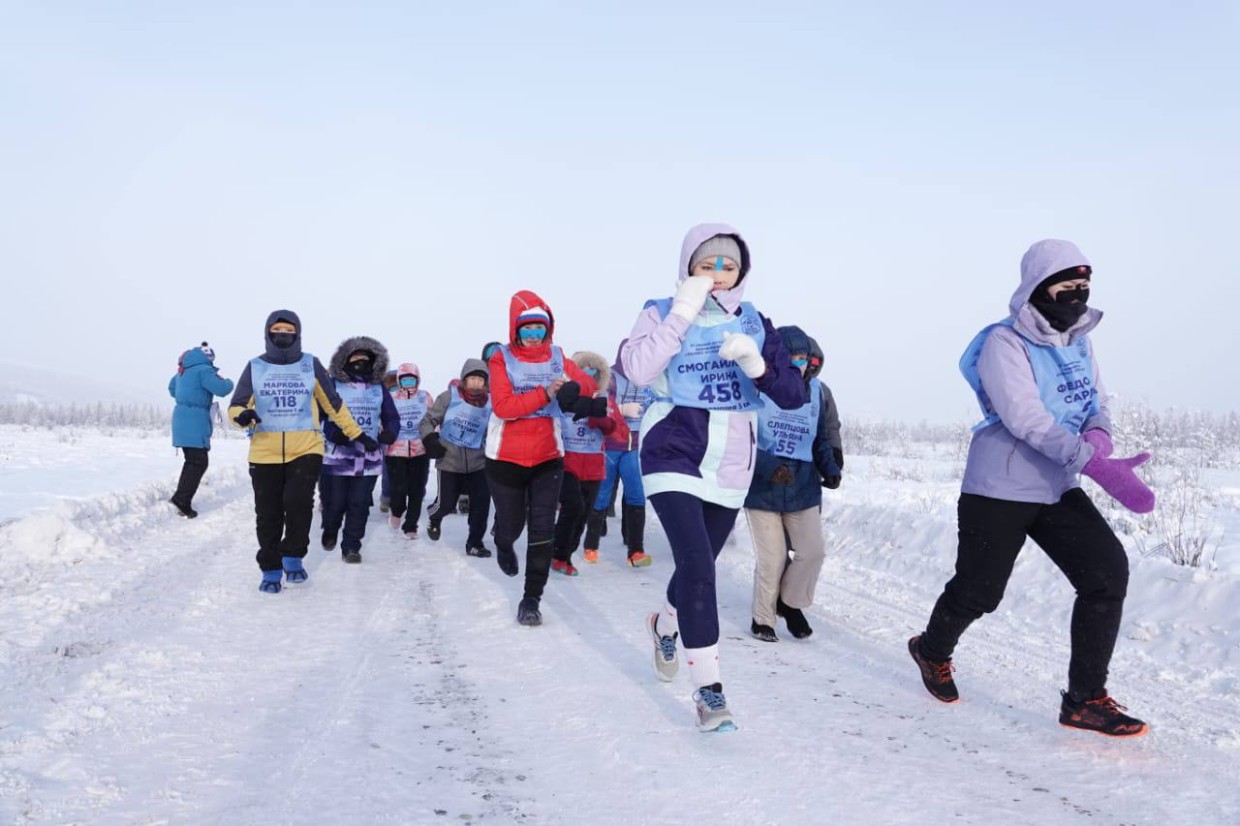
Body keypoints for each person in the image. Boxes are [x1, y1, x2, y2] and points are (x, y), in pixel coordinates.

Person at [909, 239, 1155, 738]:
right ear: (1039, 289)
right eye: (1067, 289)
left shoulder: (1080, 340)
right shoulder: (1005, 342)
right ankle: (931, 649)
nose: (1077, 299)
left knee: (1107, 573)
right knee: (980, 591)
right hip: (999, 486)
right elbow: (1025, 417)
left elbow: (1095, 399)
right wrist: (1090, 462)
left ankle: (1084, 699)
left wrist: (1099, 433)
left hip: (1057, 486)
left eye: (1084, 289)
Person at [621, 223, 805, 732]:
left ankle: (664, 622)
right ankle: (709, 692)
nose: (719, 275)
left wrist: (757, 365)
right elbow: (636, 368)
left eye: (729, 266)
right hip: (673, 449)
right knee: (700, 567)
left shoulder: (756, 322)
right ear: (688, 267)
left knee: (694, 568)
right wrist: (682, 311)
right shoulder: (658, 310)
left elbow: (793, 395)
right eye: (707, 264)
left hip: (731, 461)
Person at [486, 291, 600, 626]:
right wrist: (545, 392)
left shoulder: (557, 356)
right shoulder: (500, 359)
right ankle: (502, 542)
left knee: (541, 528)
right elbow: (504, 407)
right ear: (515, 330)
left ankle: (531, 599)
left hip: (548, 457)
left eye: (540, 328)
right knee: (512, 526)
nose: (534, 335)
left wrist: (574, 391)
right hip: (505, 458)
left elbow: (587, 385)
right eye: (527, 329)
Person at [228, 310, 363, 593]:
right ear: (268, 333)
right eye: (277, 329)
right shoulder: (255, 366)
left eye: (288, 330)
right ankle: (270, 567)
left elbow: (334, 405)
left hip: (306, 449)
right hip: (264, 452)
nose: (283, 334)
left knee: (299, 505)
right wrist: (242, 416)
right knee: (268, 513)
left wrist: (357, 434)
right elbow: (236, 405)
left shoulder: (310, 365)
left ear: (297, 334)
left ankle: (292, 557)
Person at [743, 325, 841, 642]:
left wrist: (831, 467)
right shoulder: (754, 388)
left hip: (802, 487)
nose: (799, 364)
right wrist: (769, 467)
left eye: (803, 358)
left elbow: (821, 438)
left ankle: (790, 603)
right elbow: (742, 438)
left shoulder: (817, 392)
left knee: (813, 552)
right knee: (772, 559)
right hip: (762, 489)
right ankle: (763, 619)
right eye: (792, 357)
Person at [320, 336, 399, 563]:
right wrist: (332, 431)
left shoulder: (378, 389)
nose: (360, 362)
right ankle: (331, 528)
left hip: (368, 457)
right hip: (338, 456)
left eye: (365, 359)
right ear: (345, 360)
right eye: (355, 358)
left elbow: (391, 417)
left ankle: (352, 547)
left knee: (359, 503)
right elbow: (321, 414)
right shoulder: (334, 385)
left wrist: (390, 433)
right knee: (335, 503)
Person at [551, 351, 628, 576]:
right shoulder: (563, 398)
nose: (589, 380)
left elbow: (620, 435)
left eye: (594, 376)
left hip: (594, 468)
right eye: (583, 375)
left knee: (583, 514)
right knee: (572, 507)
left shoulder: (605, 400)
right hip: (567, 463)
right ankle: (556, 553)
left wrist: (604, 421)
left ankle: (566, 555)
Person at [583, 340, 654, 567]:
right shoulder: (611, 377)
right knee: (602, 495)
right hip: (610, 446)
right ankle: (591, 545)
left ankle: (636, 551)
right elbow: (598, 404)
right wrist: (622, 410)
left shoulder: (648, 379)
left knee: (636, 494)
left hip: (633, 447)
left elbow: (656, 402)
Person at [422, 358, 494, 558]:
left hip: (479, 462)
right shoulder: (448, 398)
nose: (476, 384)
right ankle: (434, 516)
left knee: (481, 504)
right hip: (450, 460)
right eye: (472, 379)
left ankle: (474, 543)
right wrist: (430, 439)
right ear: (464, 379)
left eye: (481, 380)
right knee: (446, 504)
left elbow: (496, 429)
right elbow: (428, 420)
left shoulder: (491, 403)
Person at [168, 342, 234, 518]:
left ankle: (180, 496)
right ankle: (182, 499)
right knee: (198, 462)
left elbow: (172, 389)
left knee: (191, 460)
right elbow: (222, 389)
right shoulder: (204, 370)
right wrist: (228, 381)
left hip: (181, 418)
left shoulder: (183, 370)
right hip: (195, 420)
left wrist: (187, 395)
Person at [384, 362, 433, 539]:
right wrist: (385, 433)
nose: (408, 384)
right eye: (404, 381)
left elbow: (433, 420)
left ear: (417, 380)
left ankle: (410, 525)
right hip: (396, 451)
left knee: (417, 490)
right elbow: (384, 420)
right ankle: (397, 510)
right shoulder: (391, 398)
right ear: (398, 381)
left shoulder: (425, 397)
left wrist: (433, 438)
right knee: (399, 488)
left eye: (412, 380)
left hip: (420, 450)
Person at [379, 369, 398, 513]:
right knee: (387, 469)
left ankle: (394, 498)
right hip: (387, 437)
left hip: (406, 438)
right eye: (390, 380)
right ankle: (386, 497)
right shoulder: (382, 395)